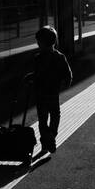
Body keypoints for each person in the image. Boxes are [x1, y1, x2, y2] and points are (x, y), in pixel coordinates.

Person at [24, 25, 73, 154]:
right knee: (55, 116)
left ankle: (46, 141)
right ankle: (50, 137)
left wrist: (30, 78)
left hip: (41, 94)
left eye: (39, 42)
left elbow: (37, 73)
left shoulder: (38, 58)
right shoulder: (60, 57)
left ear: (44, 43)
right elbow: (68, 74)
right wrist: (65, 84)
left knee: (42, 120)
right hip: (53, 93)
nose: (37, 44)